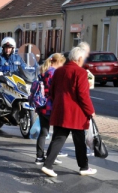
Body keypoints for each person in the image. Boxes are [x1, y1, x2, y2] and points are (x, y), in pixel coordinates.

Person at [41, 47, 97, 177]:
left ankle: (48, 165)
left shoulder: (59, 71)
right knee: (79, 141)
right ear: (80, 59)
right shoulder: (81, 73)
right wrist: (91, 111)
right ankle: (83, 167)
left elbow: (52, 91)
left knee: (59, 138)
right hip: (75, 113)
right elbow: (83, 95)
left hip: (60, 110)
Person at [0, 37, 26, 134]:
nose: (8, 49)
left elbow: (25, 68)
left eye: (9, 48)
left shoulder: (18, 58)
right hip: (1, 82)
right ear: (3, 48)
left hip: (15, 82)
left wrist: (31, 72)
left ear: (13, 48)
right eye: (6, 47)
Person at [35, 53, 67, 165]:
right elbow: (56, 90)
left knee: (43, 132)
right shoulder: (53, 73)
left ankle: (39, 157)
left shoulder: (43, 71)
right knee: (57, 132)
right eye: (62, 63)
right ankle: (51, 156)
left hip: (41, 105)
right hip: (50, 106)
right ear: (57, 62)